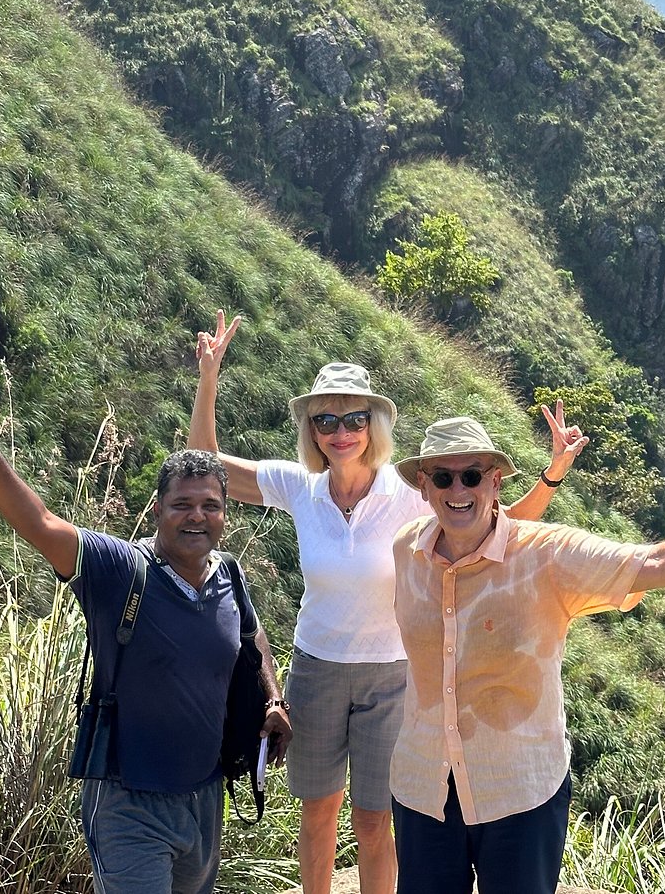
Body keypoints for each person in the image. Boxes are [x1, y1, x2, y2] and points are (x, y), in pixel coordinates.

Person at [188, 311, 587, 894]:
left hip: (393, 674)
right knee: (317, 811)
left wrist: (551, 476)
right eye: (326, 419)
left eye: (354, 417)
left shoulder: (410, 493)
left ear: (374, 424)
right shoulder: (300, 485)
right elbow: (205, 467)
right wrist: (209, 377)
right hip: (317, 667)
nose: (340, 430)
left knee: (376, 820)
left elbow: (495, 526)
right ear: (312, 428)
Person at [389, 416, 665, 894]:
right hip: (422, 786)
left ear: (495, 483)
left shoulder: (547, 555)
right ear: (425, 486)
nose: (458, 489)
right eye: (444, 477)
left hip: (519, 789)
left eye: (471, 475)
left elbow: (649, 561)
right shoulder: (405, 549)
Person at [0, 366, 292, 894]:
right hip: (127, 801)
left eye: (210, 506)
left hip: (204, 796)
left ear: (225, 516)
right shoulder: (118, 569)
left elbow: (252, 637)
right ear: (157, 511)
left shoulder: (229, 575)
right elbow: (41, 524)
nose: (196, 517)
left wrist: (273, 698)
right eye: (182, 505)